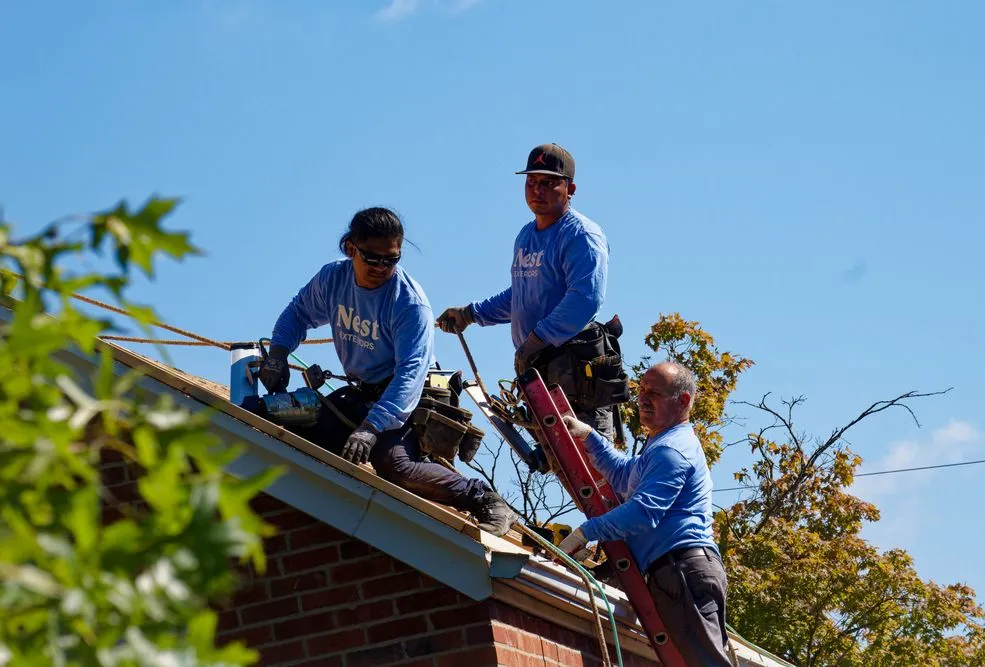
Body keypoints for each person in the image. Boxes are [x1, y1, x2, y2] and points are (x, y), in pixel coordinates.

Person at [258, 207, 516, 536]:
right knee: (268, 414)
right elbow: (298, 312)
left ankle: (482, 498)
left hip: (406, 403)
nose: (382, 268)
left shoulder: (409, 303)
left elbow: (410, 375)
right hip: (359, 396)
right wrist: (279, 353)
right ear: (351, 247)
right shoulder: (332, 279)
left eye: (391, 260)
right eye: (372, 258)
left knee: (394, 464)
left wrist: (371, 428)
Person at [436, 143, 623, 444]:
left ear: (570, 188)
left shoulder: (581, 234)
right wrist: (471, 313)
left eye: (549, 182)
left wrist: (537, 340)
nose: (538, 189)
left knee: (593, 468)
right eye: (532, 181)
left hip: (575, 372)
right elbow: (522, 294)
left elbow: (585, 297)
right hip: (541, 372)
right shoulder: (526, 235)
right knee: (556, 459)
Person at [558, 361, 732, 667]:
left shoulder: (671, 450)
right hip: (684, 571)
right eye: (642, 390)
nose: (643, 398)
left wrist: (587, 532)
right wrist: (589, 437)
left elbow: (643, 513)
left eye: (655, 393)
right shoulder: (661, 445)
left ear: (684, 401)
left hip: (682, 571)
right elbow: (625, 475)